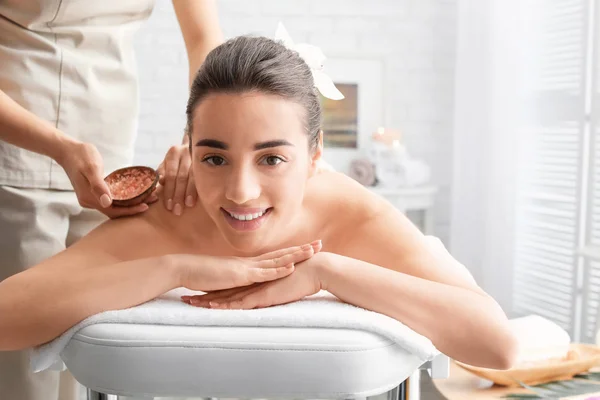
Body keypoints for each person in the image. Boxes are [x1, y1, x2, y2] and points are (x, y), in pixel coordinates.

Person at [0, 35, 519, 381]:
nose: (241, 191)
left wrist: (326, 270)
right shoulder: (169, 217)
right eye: (215, 158)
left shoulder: (353, 216)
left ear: (315, 155)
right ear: (188, 146)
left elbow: (497, 346)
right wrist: (173, 269)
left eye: (271, 157)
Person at [0, 1, 223, 399]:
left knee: (90, 347)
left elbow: (204, 38)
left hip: (110, 142)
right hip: (18, 141)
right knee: (22, 365)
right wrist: (60, 147)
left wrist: (198, 137)